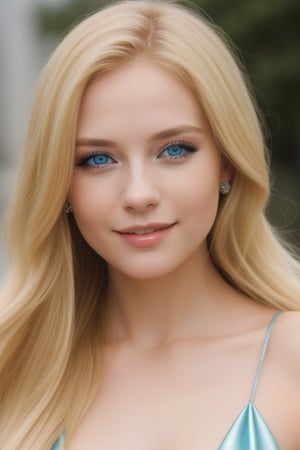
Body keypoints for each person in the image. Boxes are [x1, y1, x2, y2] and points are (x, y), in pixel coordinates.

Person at [1, 1, 300, 449]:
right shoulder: (16, 369)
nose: (139, 194)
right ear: (59, 184)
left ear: (227, 163)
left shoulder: (292, 360)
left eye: (175, 150)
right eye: (97, 159)